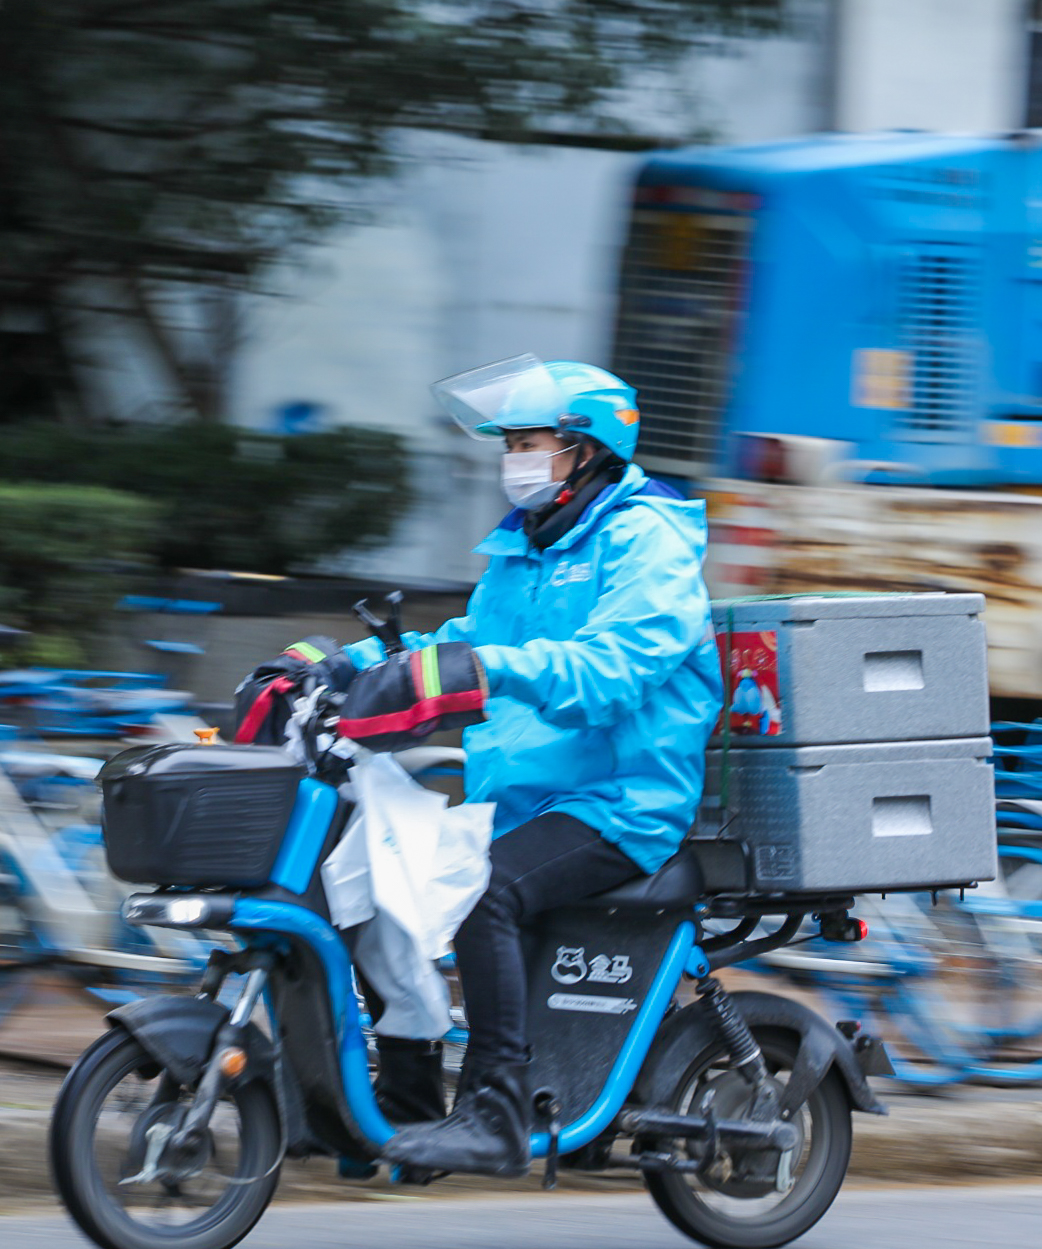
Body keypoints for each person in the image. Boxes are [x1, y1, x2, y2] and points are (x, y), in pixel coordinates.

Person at [278, 356, 722, 1177]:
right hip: (521, 802)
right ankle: (402, 1109)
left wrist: (492, 671)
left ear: (585, 449)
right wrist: (340, 662)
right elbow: (466, 644)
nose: (513, 458)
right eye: (509, 443)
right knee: (363, 874)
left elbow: (615, 670)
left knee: (483, 888)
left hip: (617, 805)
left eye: (529, 441)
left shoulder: (645, 540)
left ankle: (496, 1111)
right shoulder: (527, 547)